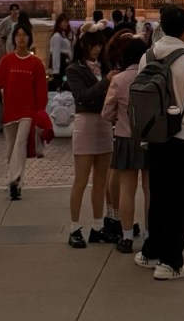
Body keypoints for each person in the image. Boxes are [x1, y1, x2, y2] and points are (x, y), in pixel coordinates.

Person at [135, 6, 184, 280]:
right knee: (181, 202)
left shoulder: (147, 57)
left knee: (159, 197)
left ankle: (151, 251)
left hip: (155, 137)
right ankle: (171, 262)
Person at [66, 25, 117, 247]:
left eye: (99, 45)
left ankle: (97, 226)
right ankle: (74, 227)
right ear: (83, 46)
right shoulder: (74, 69)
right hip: (86, 122)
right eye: (92, 45)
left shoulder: (105, 66)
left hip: (104, 123)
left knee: (101, 180)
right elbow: (83, 97)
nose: (96, 49)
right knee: (81, 179)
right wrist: (106, 82)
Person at [0, 21, 48, 199]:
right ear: (14, 38)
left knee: (20, 144)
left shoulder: (36, 63)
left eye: (24, 35)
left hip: (28, 111)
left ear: (29, 38)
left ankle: (13, 181)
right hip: (10, 111)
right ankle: (18, 180)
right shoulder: (6, 61)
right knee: (11, 149)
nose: (21, 38)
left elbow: (41, 90)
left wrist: (40, 111)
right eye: (18, 35)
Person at [102, 36, 149, 254]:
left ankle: (127, 236)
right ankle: (150, 234)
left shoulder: (119, 80)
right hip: (150, 138)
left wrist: (118, 117)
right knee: (150, 190)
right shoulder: (154, 76)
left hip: (125, 136)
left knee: (127, 189)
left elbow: (106, 112)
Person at [49, 14, 74, 91]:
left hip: (65, 63)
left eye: (67, 22)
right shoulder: (57, 36)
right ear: (59, 23)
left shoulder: (63, 35)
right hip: (61, 63)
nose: (66, 24)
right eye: (64, 22)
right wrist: (56, 71)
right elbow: (55, 54)